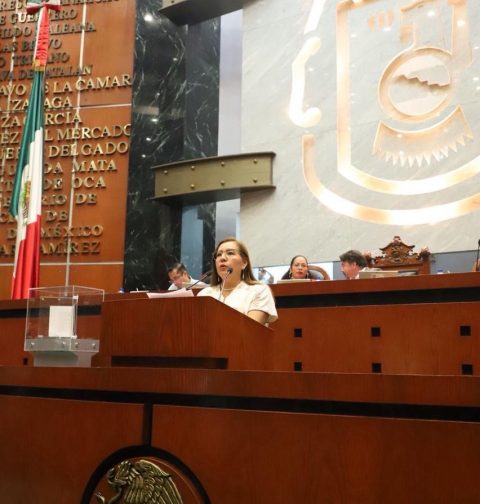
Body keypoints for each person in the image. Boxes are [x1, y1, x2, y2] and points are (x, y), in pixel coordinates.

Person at [197, 237, 278, 325]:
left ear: (244, 263)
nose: (222, 258)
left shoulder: (259, 290)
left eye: (230, 253)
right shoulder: (204, 294)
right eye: (219, 254)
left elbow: (251, 328)